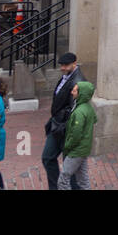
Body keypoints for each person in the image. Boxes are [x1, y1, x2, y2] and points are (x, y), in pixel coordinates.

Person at [42, 52, 86, 190]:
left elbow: (75, 109)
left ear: (74, 63)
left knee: (70, 166)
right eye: (61, 65)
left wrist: (62, 119)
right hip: (57, 125)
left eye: (66, 65)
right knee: (48, 157)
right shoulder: (67, 76)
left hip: (66, 128)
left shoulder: (78, 81)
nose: (63, 68)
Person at [59, 80, 97, 190]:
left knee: (63, 180)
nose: (72, 92)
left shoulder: (79, 112)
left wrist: (67, 146)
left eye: (75, 90)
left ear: (81, 94)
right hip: (84, 149)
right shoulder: (88, 108)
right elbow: (94, 120)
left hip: (76, 151)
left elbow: (76, 135)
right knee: (83, 180)